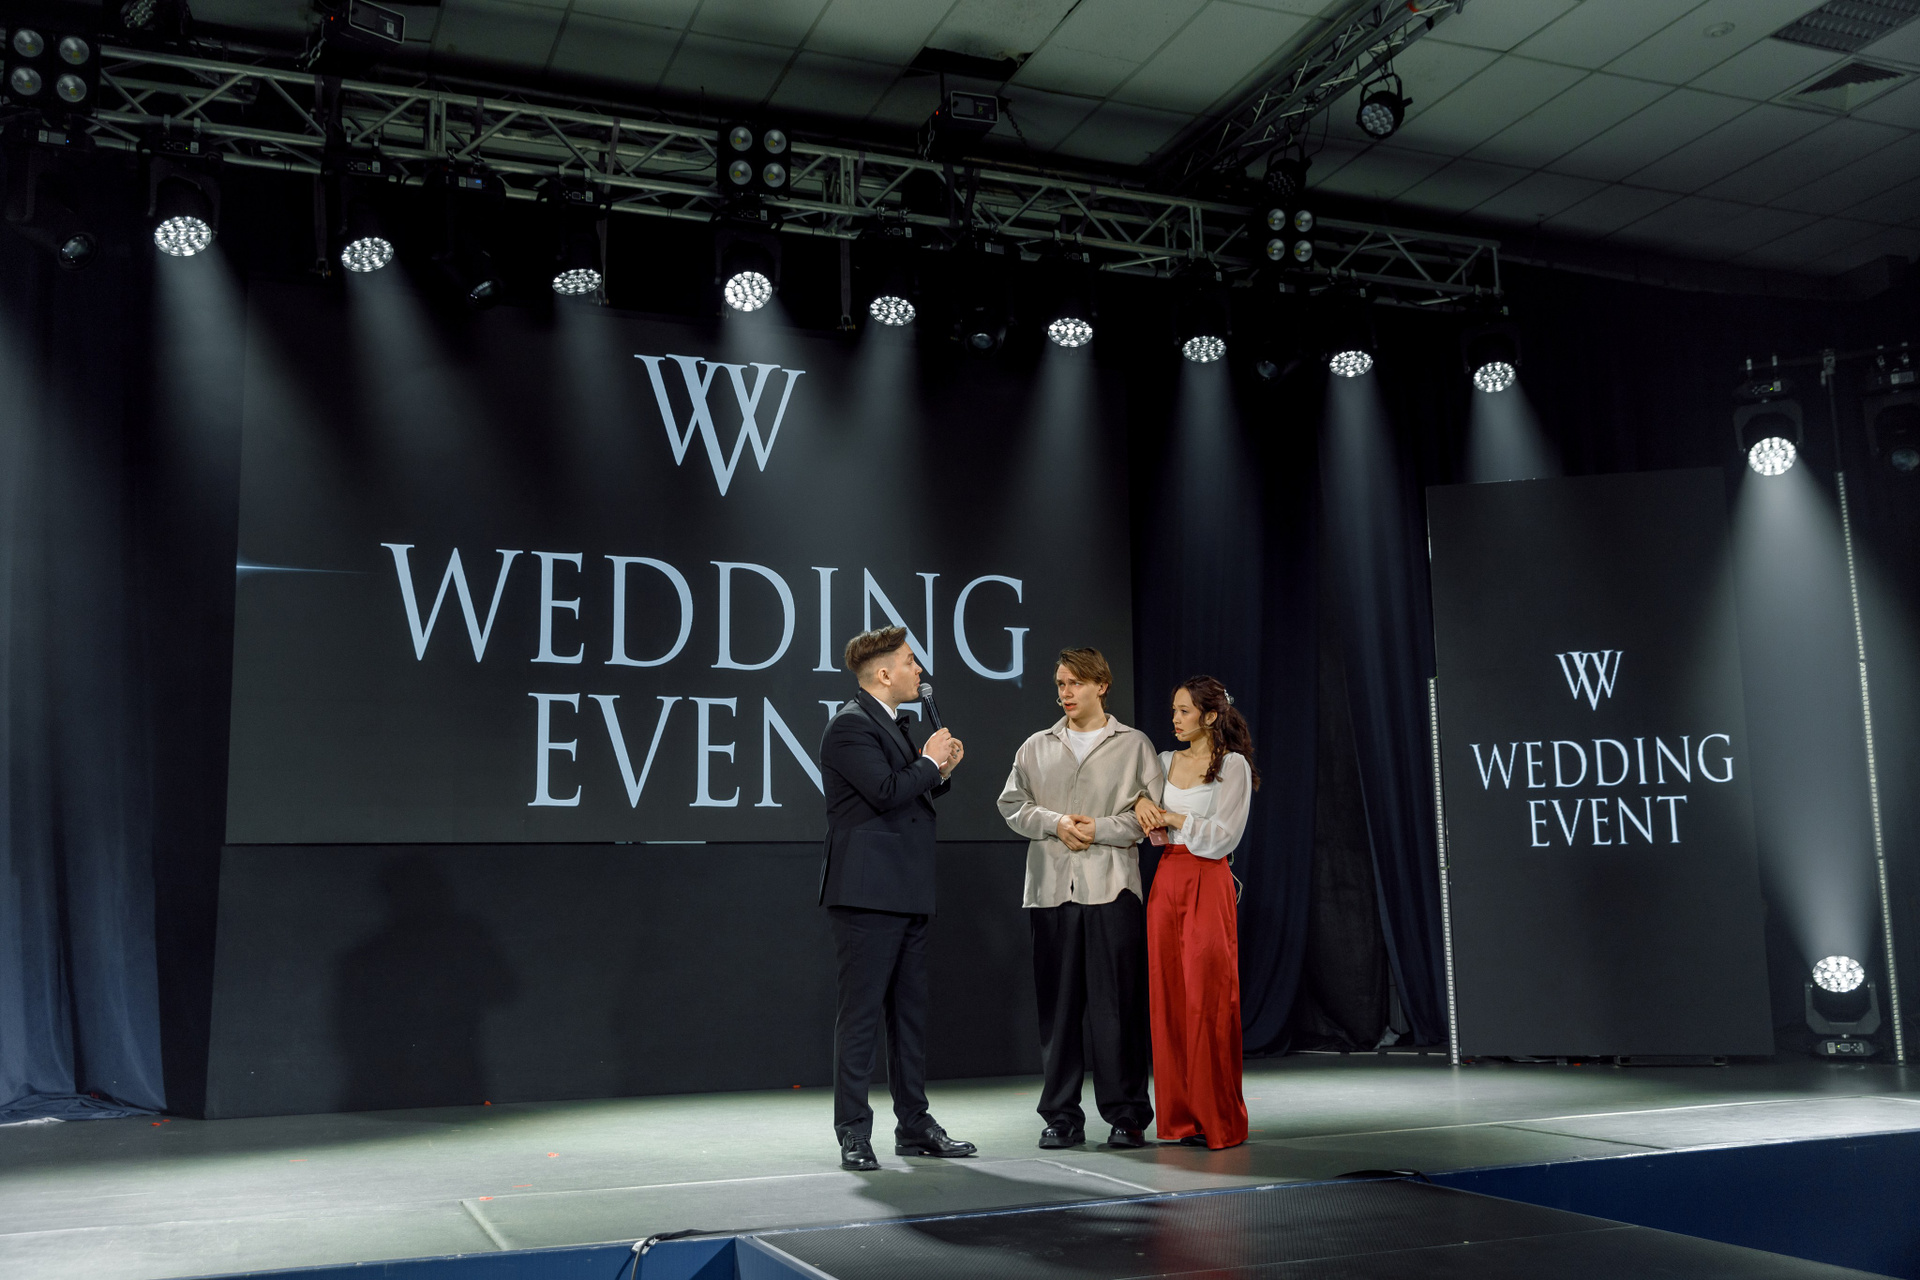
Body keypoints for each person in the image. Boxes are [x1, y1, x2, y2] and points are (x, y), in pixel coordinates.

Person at [818, 625, 975, 1171]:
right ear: (884, 673)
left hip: (906, 889)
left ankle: (914, 1124)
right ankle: (853, 1132)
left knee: (909, 1016)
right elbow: (885, 792)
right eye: (910, 662)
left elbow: (906, 790)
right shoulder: (850, 726)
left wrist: (938, 770)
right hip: (867, 894)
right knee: (861, 1016)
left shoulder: (886, 722)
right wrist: (928, 762)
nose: (919, 671)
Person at [997, 647, 1163, 1150]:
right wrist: (1055, 823)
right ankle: (1061, 1116)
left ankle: (1127, 1114)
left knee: (1118, 1009)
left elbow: (1152, 815)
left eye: (1075, 683)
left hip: (1113, 889)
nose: (1066, 693)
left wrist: (1102, 828)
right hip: (1052, 892)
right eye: (1061, 684)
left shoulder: (1134, 745)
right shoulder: (1036, 745)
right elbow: (1012, 804)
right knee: (1059, 1011)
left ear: (1101, 685)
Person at [1133, 675, 1257, 1150]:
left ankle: (1218, 1117)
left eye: (1184, 711)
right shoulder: (1164, 761)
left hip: (1207, 877)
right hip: (1167, 878)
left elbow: (1225, 835)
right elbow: (1139, 805)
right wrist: (1144, 805)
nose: (1175, 719)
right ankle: (1182, 1119)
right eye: (1173, 710)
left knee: (1208, 997)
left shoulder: (1232, 765)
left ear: (1210, 715)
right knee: (1169, 998)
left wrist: (1173, 817)